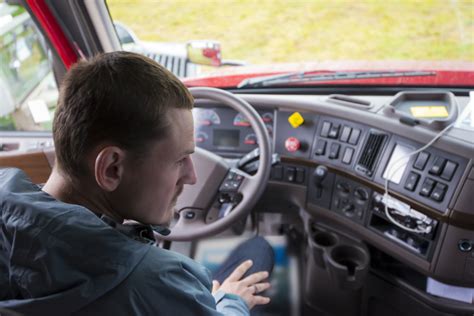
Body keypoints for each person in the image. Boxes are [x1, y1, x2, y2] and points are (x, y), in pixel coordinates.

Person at [0, 51, 274, 315]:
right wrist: (230, 301)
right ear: (111, 168)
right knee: (258, 251)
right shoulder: (153, 281)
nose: (192, 176)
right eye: (180, 160)